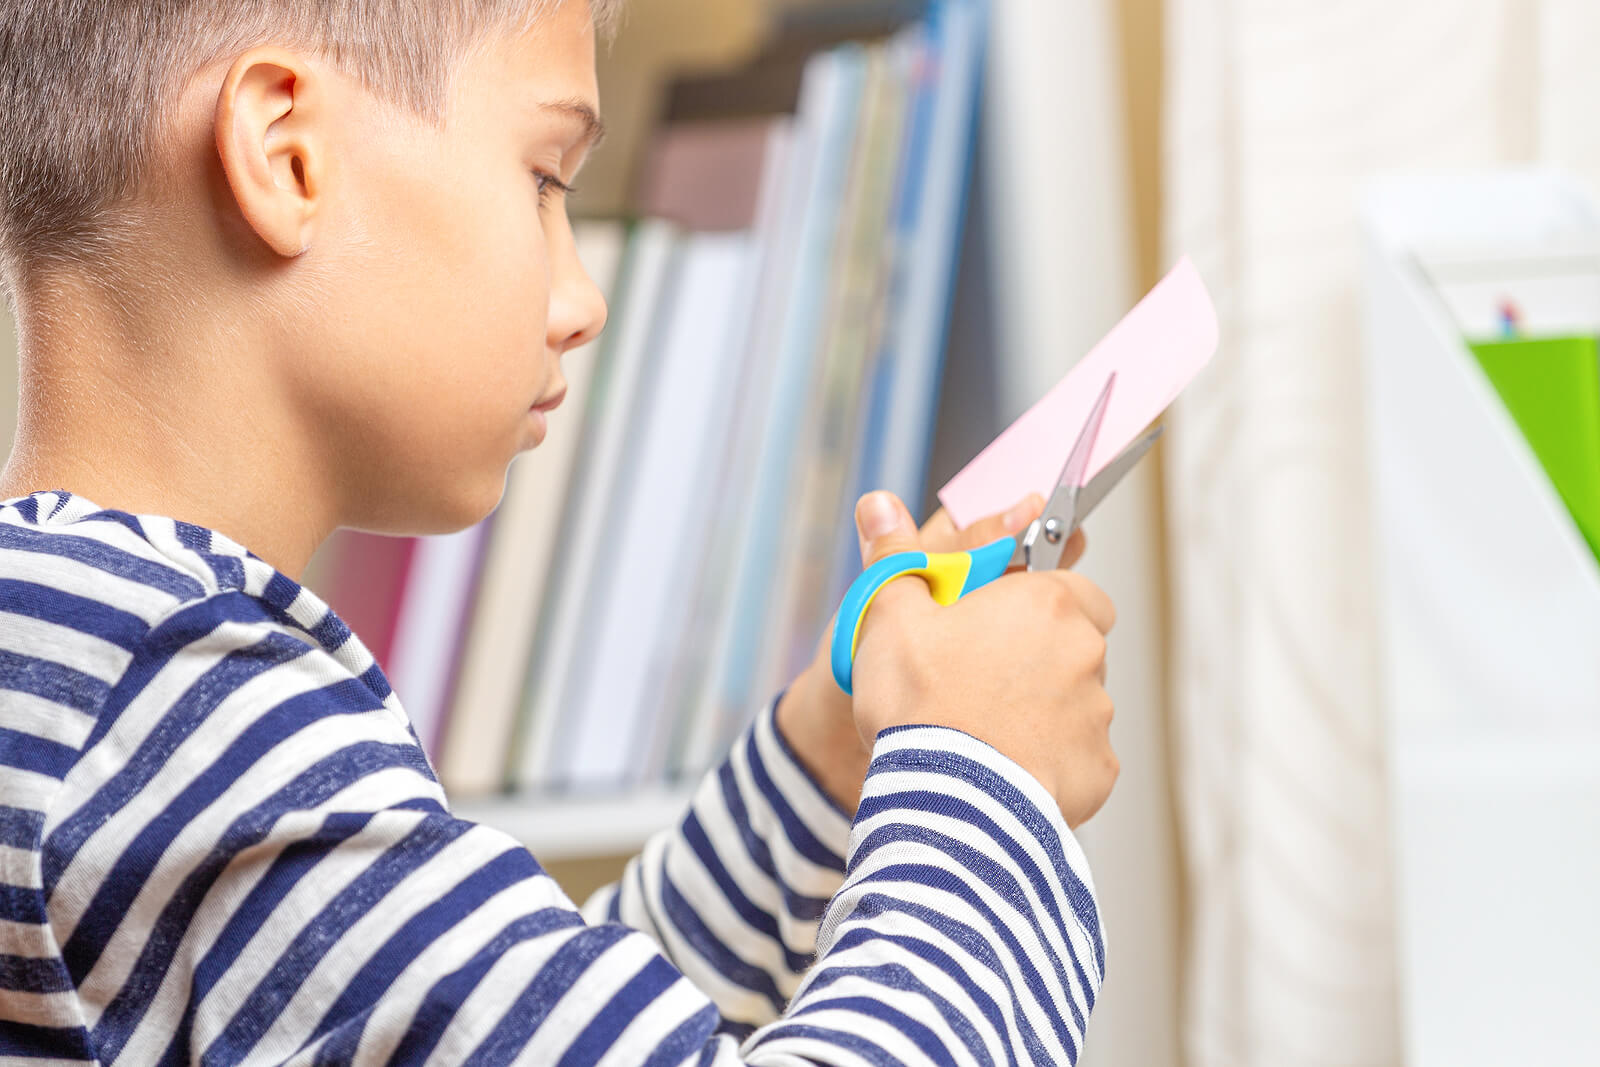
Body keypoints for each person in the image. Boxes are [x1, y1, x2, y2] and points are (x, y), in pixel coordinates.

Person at [0, 0, 1120, 1061]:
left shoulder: (71, 658)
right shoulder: (187, 706)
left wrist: (828, 753)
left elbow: (511, 1017)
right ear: (285, 151)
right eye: (543, 178)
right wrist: (985, 768)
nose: (582, 296)